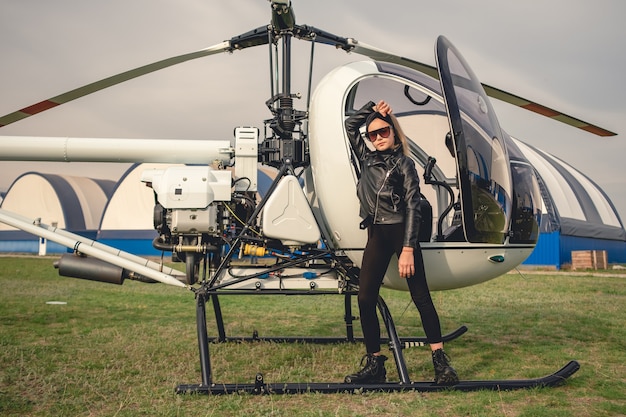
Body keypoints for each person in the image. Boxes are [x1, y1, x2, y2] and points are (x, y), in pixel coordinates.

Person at [343, 100, 459, 385]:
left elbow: (412, 206)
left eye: (383, 131)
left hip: (400, 231)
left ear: (394, 132)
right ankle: (375, 364)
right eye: (373, 134)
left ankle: (441, 362)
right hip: (376, 233)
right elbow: (349, 126)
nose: (378, 137)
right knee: (365, 298)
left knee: (420, 297)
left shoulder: (404, 163)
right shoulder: (367, 159)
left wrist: (408, 249)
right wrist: (372, 110)